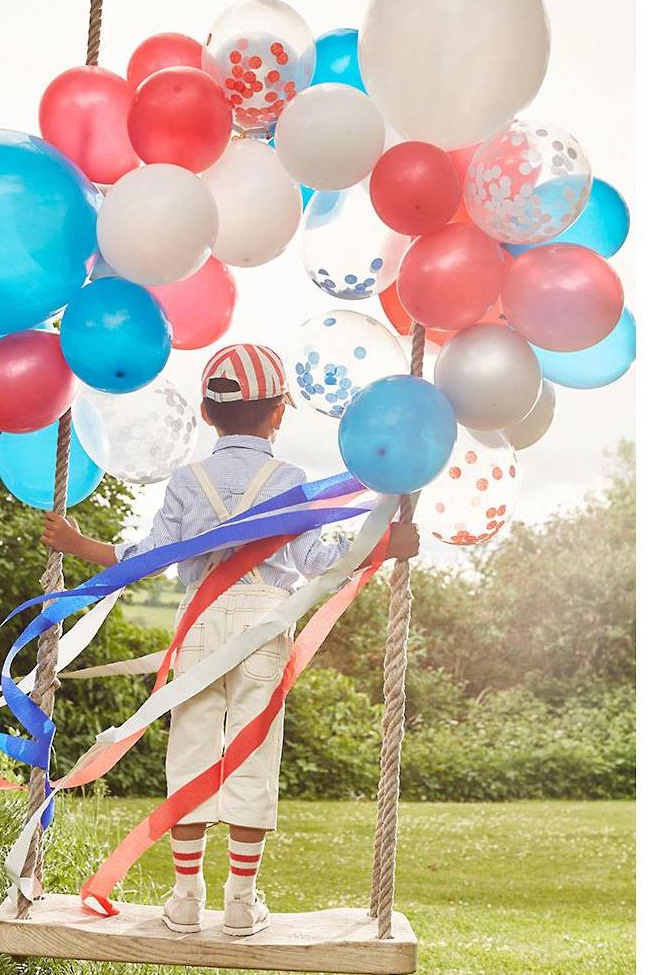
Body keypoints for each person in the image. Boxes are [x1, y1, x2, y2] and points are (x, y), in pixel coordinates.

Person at [41, 343, 419, 937]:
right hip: (264, 621)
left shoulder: (188, 480)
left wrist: (78, 544)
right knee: (253, 751)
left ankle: (186, 898)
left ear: (206, 414)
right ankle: (241, 901)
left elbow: (150, 555)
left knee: (190, 748)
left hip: (199, 621)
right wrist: (384, 544)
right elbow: (317, 560)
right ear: (279, 412)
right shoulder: (289, 480)